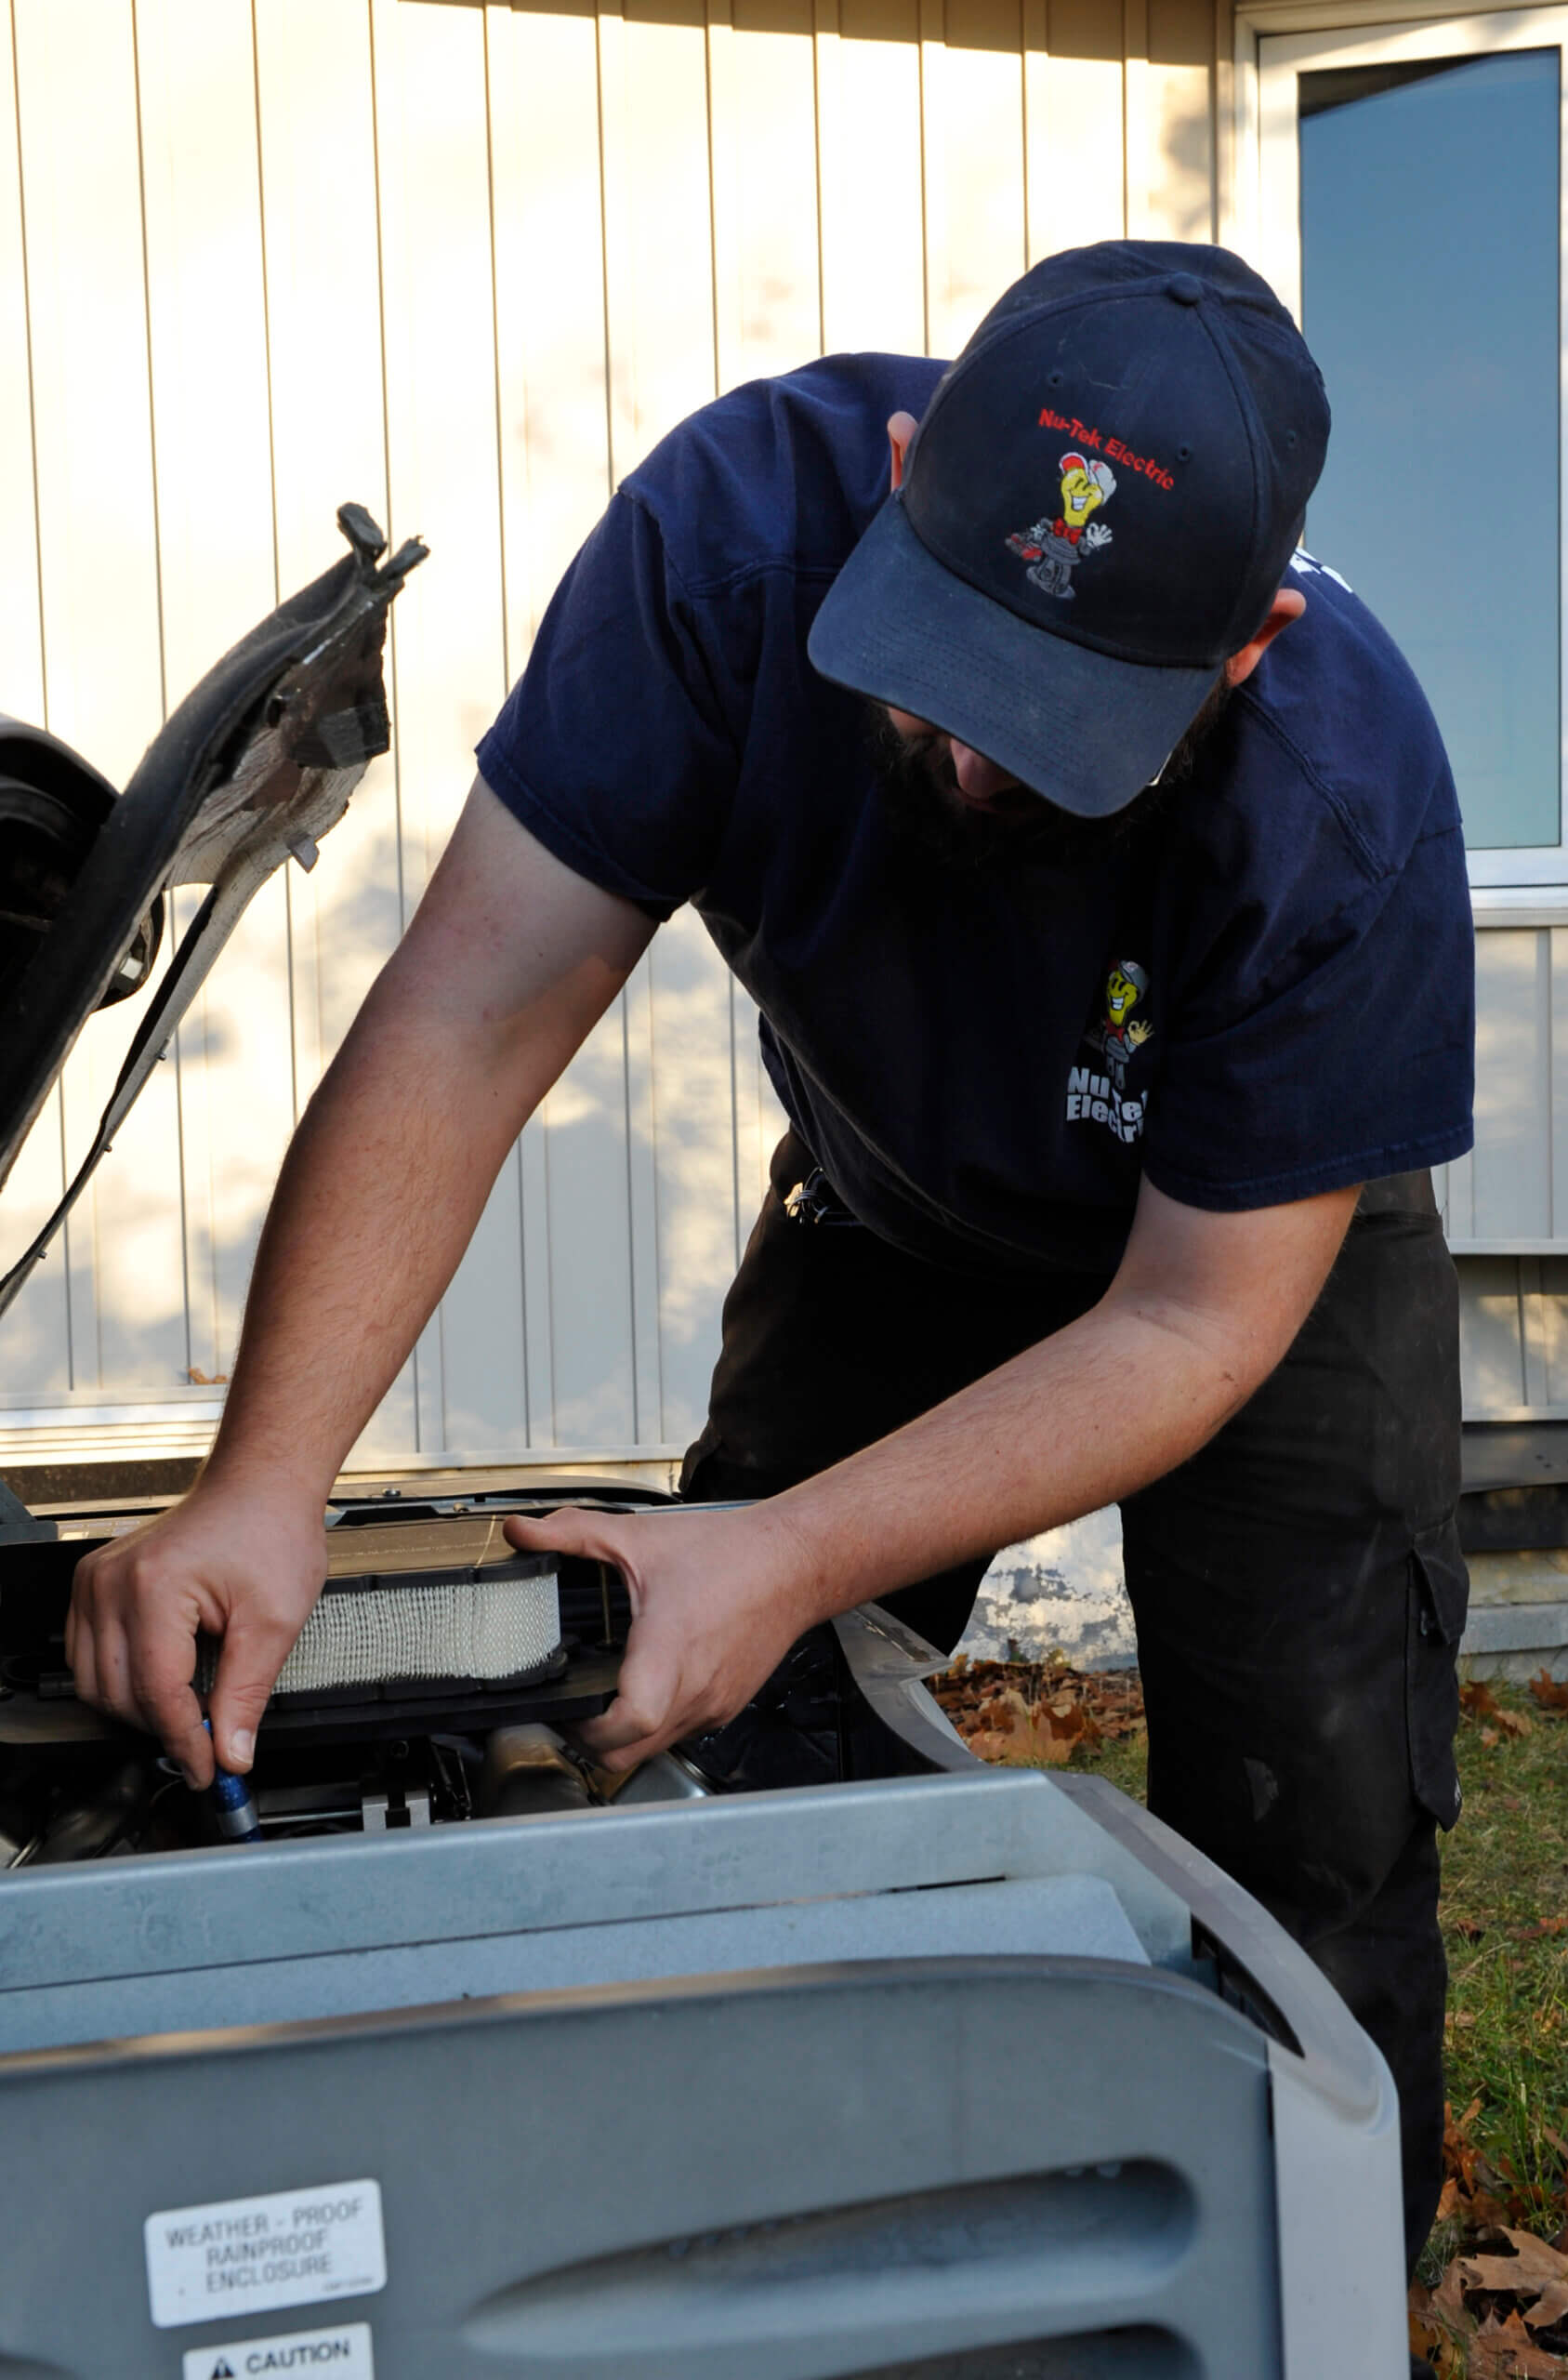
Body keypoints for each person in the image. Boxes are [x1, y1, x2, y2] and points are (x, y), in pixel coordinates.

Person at [67, 240, 1475, 2276]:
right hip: (892, 1199)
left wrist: (799, 1537)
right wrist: (264, 1482)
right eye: (952, 676)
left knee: (1309, 1825)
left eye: (1063, 723)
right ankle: (797, 2254)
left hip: (1248, 1264)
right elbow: (464, 1023)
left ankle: (1317, 2296)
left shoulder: (1341, 798)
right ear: (901, 469)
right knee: (742, 1725)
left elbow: (1187, 1321)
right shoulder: (726, 548)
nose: (981, 763)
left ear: (1245, 643)